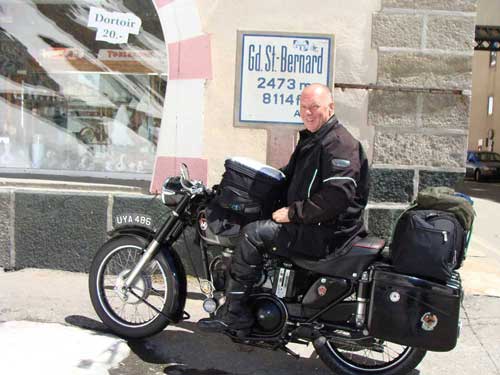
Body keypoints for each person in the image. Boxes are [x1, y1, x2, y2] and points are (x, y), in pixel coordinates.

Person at [198, 83, 369, 333]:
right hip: (315, 224)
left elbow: (336, 196)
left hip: (327, 233)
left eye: (315, 107)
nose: (308, 112)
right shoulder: (315, 139)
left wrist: (292, 213)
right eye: (303, 107)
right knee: (254, 222)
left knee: (254, 234)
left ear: (330, 107)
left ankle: (235, 315)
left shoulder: (339, 144)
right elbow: (287, 177)